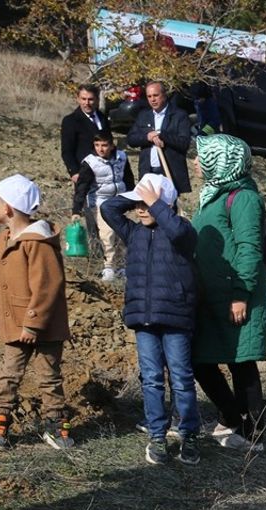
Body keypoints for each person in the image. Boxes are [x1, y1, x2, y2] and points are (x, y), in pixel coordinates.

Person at [101, 174, 202, 465]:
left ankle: (189, 434)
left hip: (176, 318)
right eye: (138, 205)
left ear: (164, 204)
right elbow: (108, 209)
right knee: (152, 380)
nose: (140, 210)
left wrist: (156, 203)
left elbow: (177, 230)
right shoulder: (134, 232)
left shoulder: (182, 231)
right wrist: (136, 195)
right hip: (144, 319)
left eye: (146, 205)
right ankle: (157, 434)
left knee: (182, 379)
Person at [0, 174, 73, 451]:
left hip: (43, 326)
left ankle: (55, 424)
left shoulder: (38, 242)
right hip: (12, 324)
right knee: (8, 374)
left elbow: (48, 286)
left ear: (7, 208)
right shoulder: (1, 242)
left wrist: (32, 324)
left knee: (49, 376)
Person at [191, 134, 266, 451]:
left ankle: (254, 435)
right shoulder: (213, 195)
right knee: (201, 359)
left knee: (241, 362)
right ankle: (231, 417)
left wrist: (241, 293)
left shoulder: (244, 198)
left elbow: (250, 249)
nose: (196, 162)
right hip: (212, 297)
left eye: (203, 156)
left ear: (221, 161)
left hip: (237, 295)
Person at [72, 130, 134, 283]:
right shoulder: (90, 162)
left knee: (122, 234)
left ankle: (121, 265)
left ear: (112, 146)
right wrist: (76, 209)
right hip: (100, 202)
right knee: (108, 234)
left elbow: (128, 178)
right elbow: (82, 187)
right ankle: (109, 266)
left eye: (104, 145)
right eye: (97, 145)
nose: (100, 149)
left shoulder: (122, 157)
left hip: (120, 200)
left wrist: (133, 199)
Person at [127, 81, 193, 194]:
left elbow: (184, 143)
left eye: (156, 95)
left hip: (169, 171)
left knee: (169, 207)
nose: (153, 99)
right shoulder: (143, 115)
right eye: (149, 96)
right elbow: (131, 139)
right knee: (150, 208)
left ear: (164, 95)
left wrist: (162, 136)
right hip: (149, 171)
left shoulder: (179, 115)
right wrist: (147, 137)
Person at [61, 84, 109, 184]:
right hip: (85, 173)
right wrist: (74, 172)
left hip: (105, 172)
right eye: (83, 99)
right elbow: (67, 151)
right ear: (78, 99)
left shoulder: (103, 118)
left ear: (97, 99)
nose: (87, 103)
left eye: (90, 99)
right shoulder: (71, 121)